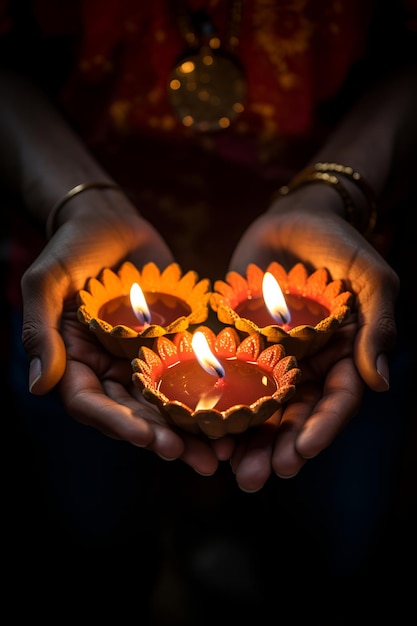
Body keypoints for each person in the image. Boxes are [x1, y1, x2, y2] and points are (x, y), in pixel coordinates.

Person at [1, 1, 415, 623]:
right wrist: (73, 201)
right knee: (90, 536)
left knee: (342, 543)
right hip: (73, 295)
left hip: (348, 284)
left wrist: (338, 188)